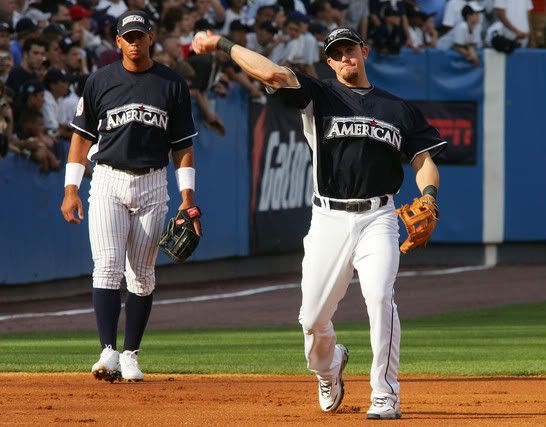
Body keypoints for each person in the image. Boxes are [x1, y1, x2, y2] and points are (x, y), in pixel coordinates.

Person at [192, 26, 445, 419]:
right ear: (329, 60)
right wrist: (222, 45)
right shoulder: (320, 95)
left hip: (379, 217)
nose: (345, 57)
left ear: (365, 50)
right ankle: (328, 368)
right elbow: (273, 75)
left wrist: (428, 196)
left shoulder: (399, 109)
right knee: (311, 319)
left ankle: (386, 394)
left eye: (350, 49)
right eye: (337, 53)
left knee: (380, 297)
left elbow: (424, 161)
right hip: (329, 218)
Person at [60, 10, 201, 383]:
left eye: (140, 35)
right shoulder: (99, 81)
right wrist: (70, 189)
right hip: (107, 180)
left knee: (141, 276)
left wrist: (188, 197)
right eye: (128, 36)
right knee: (106, 266)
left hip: (154, 182)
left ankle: (130, 353)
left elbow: (182, 146)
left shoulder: (171, 84)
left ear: (151, 37)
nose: (135, 41)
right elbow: (81, 137)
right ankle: (107, 351)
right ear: (117, 41)